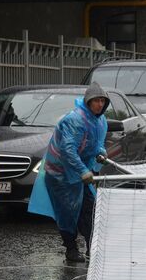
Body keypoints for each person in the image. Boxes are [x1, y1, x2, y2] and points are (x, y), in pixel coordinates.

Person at [28, 83, 110, 262]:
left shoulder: (100, 120)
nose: (100, 104)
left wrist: (101, 153)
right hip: (61, 174)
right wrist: (82, 170)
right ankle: (71, 248)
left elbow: (97, 143)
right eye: (96, 101)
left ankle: (92, 247)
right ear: (88, 102)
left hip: (82, 172)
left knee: (89, 208)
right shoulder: (75, 120)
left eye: (102, 101)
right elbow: (68, 149)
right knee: (68, 211)